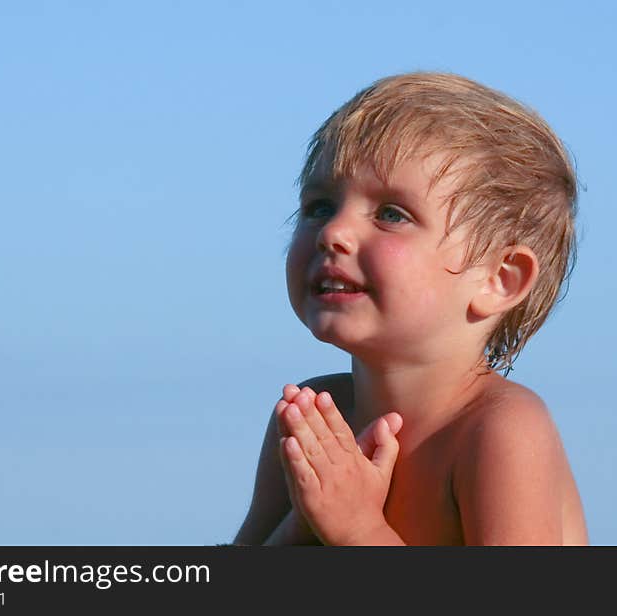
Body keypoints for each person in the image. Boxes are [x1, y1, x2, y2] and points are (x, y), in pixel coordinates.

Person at [234, 72, 588, 545]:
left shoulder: (500, 430)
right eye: (319, 206)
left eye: (391, 214)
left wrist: (357, 529)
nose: (333, 232)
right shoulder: (318, 414)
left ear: (498, 279)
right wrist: (307, 518)